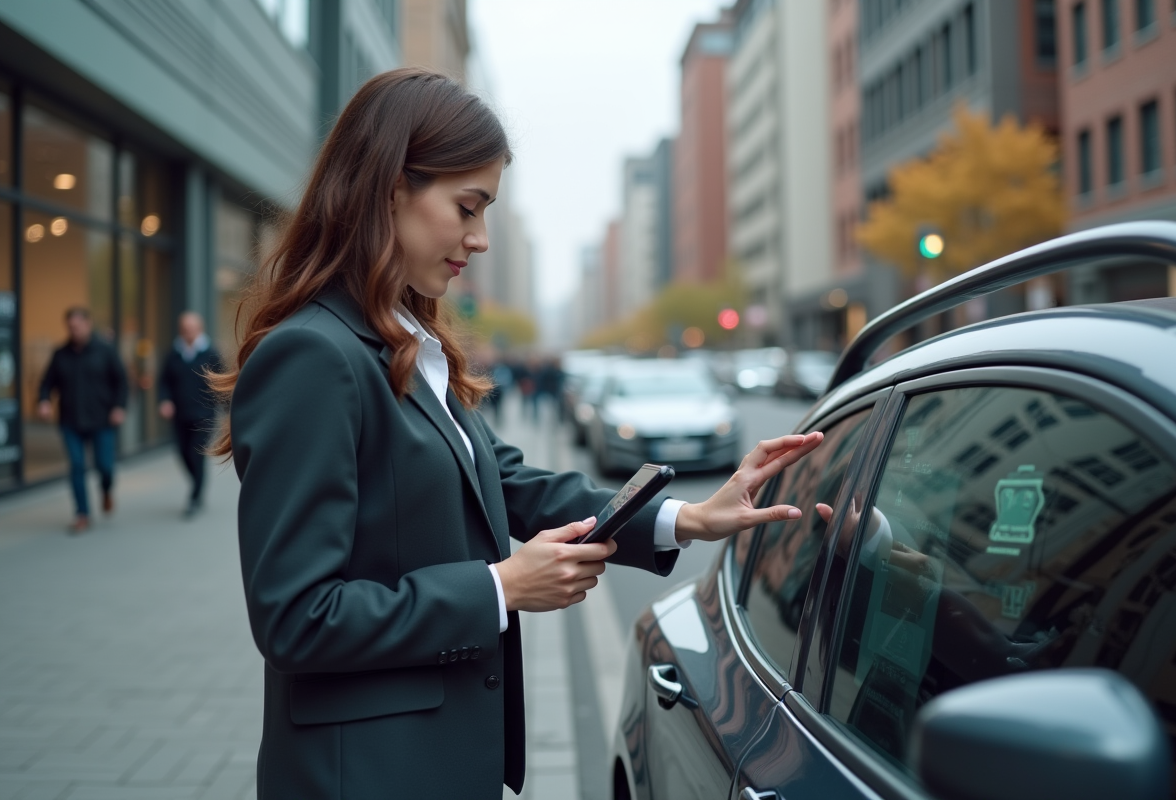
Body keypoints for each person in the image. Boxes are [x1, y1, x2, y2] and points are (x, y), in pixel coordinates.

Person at [206, 68, 823, 799]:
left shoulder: (404, 343)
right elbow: (296, 618)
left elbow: (509, 481)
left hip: (432, 764)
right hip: (368, 775)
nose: (481, 238)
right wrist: (500, 586)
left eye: (488, 210)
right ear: (389, 187)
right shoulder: (314, 356)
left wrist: (686, 516)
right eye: (468, 207)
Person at [37, 306, 128, 533]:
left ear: (88, 324)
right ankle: (82, 514)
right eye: (70, 327)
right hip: (70, 421)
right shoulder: (60, 354)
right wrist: (44, 400)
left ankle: (106, 489)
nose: (73, 330)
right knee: (77, 466)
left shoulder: (105, 351)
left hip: (102, 420)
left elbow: (122, 382)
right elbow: (47, 383)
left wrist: (119, 407)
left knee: (104, 467)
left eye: (77, 326)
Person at [159, 311, 222, 517]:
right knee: (183, 453)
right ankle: (198, 482)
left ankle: (195, 496)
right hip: (180, 414)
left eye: (191, 329)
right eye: (184, 329)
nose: (188, 332)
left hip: (204, 414)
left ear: (199, 329)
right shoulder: (174, 354)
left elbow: (221, 381)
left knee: (196, 454)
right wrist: (165, 400)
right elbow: (165, 381)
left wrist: (227, 408)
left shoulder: (210, 353)